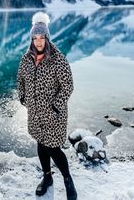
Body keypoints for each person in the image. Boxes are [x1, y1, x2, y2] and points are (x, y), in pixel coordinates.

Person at [17, 12, 77, 200]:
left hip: (53, 114)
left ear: (47, 37)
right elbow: (20, 80)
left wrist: (56, 106)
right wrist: (23, 98)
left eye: (42, 37)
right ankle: (47, 177)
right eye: (35, 38)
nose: (38, 42)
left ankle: (68, 180)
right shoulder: (27, 58)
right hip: (34, 113)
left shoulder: (57, 58)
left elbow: (68, 86)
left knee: (52, 147)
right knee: (41, 143)